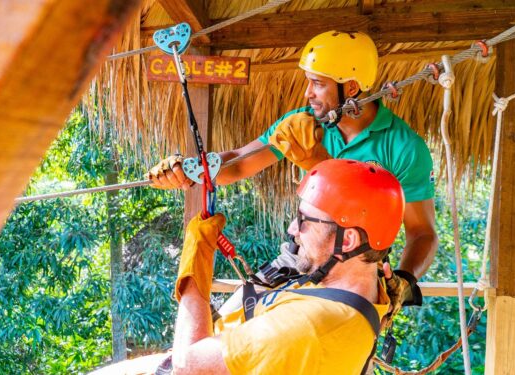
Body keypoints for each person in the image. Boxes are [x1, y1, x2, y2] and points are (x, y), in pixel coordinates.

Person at [147, 31, 438, 314]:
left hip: (357, 275)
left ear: (350, 88)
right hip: (299, 258)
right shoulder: (303, 126)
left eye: (317, 84)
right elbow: (238, 161)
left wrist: (404, 280)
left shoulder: (404, 148)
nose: (307, 93)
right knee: (227, 320)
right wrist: (192, 169)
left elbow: (422, 233)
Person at [164, 159, 405, 374]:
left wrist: (195, 263)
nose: (292, 229)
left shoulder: (306, 325)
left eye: (304, 221)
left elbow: (186, 365)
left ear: (348, 240)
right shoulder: (366, 287)